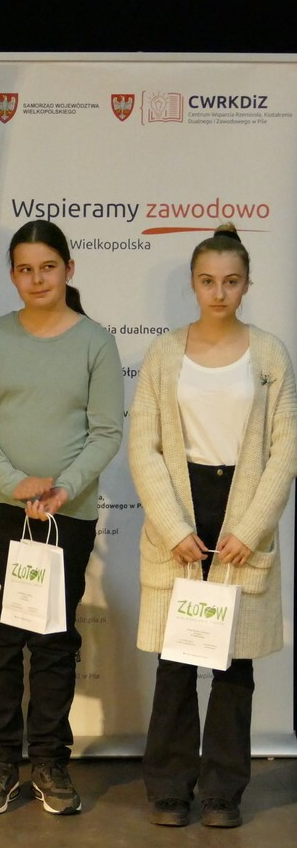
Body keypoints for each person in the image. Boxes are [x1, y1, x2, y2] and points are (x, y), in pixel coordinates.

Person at [0, 219, 123, 815]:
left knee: (53, 639)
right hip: (1, 511)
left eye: (48, 267)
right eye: (24, 269)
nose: (37, 279)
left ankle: (50, 761)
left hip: (64, 516)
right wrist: (12, 480)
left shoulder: (96, 342)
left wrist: (63, 487)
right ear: (12, 275)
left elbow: (106, 432)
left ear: (68, 270)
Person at [129, 225, 297, 829]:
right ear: (193, 285)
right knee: (176, 658)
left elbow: (284, 449)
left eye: (230, 281)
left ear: (247, 284)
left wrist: (250, 527)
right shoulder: (164, 354)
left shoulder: (270, 354)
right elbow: (144, 446)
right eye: (207, 281)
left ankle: (224, 792)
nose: (218, 293)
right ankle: (169, 789)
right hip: (182, 507)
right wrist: (173, 524)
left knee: (233, 661)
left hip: (241, 509)